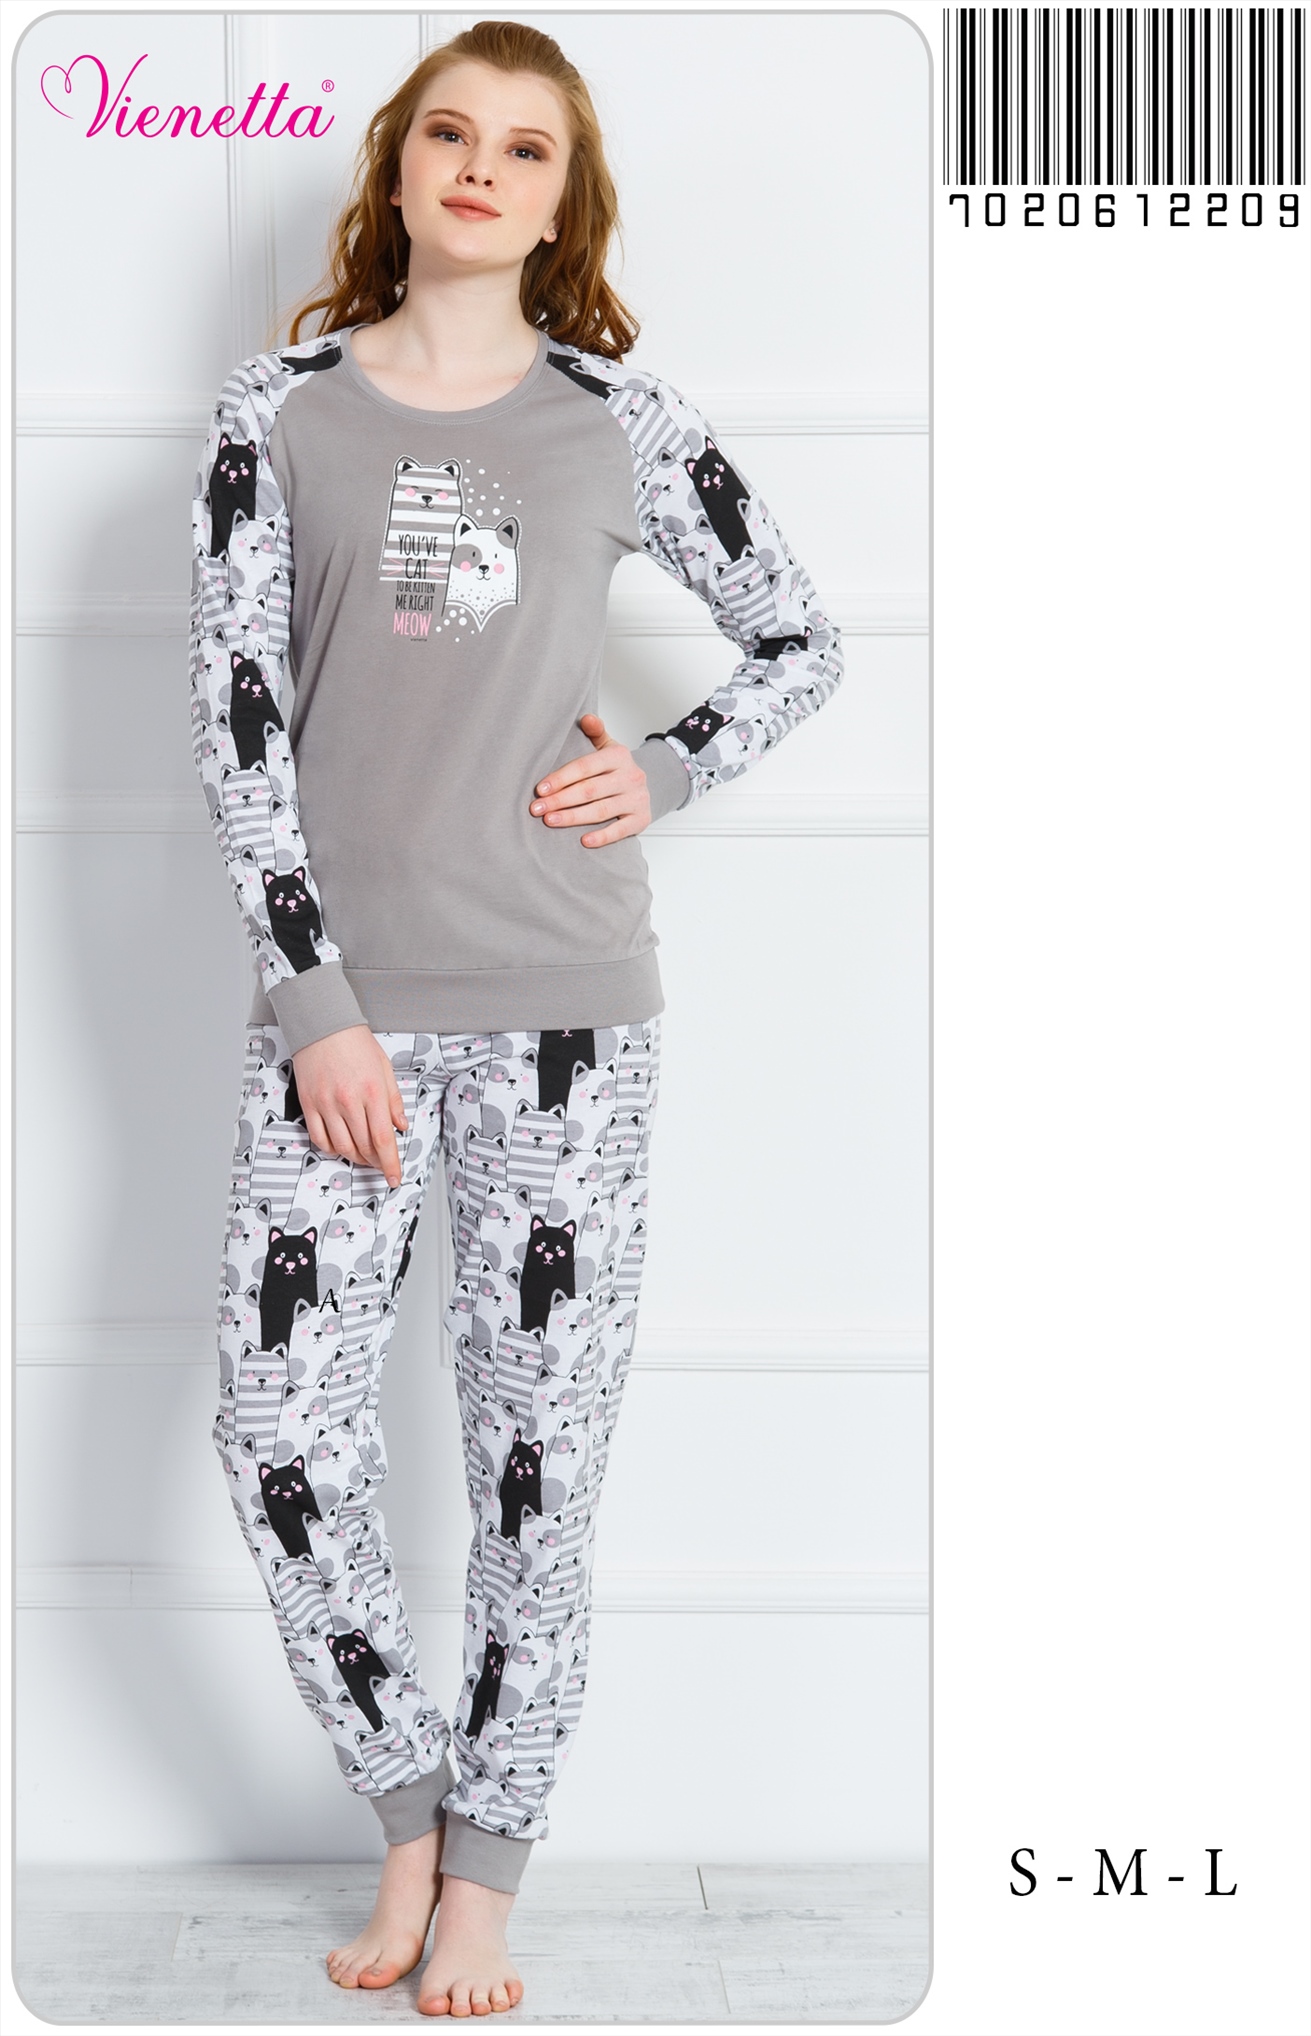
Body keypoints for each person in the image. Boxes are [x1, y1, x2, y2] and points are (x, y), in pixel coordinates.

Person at [191, 17, 843, 2019]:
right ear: (398, 168)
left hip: (570, 1014)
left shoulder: (619, 420)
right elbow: (236, 727)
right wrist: (315, 1002)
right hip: (347, 1022)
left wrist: (662, 767)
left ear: (564, 204)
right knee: (273, 1423)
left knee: (534, 1467)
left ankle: (486, 1874)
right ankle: (408, 1805)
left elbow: (798, 637)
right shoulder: (277, 414)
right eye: (450, 133)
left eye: (526, 149)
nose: (482, 166)